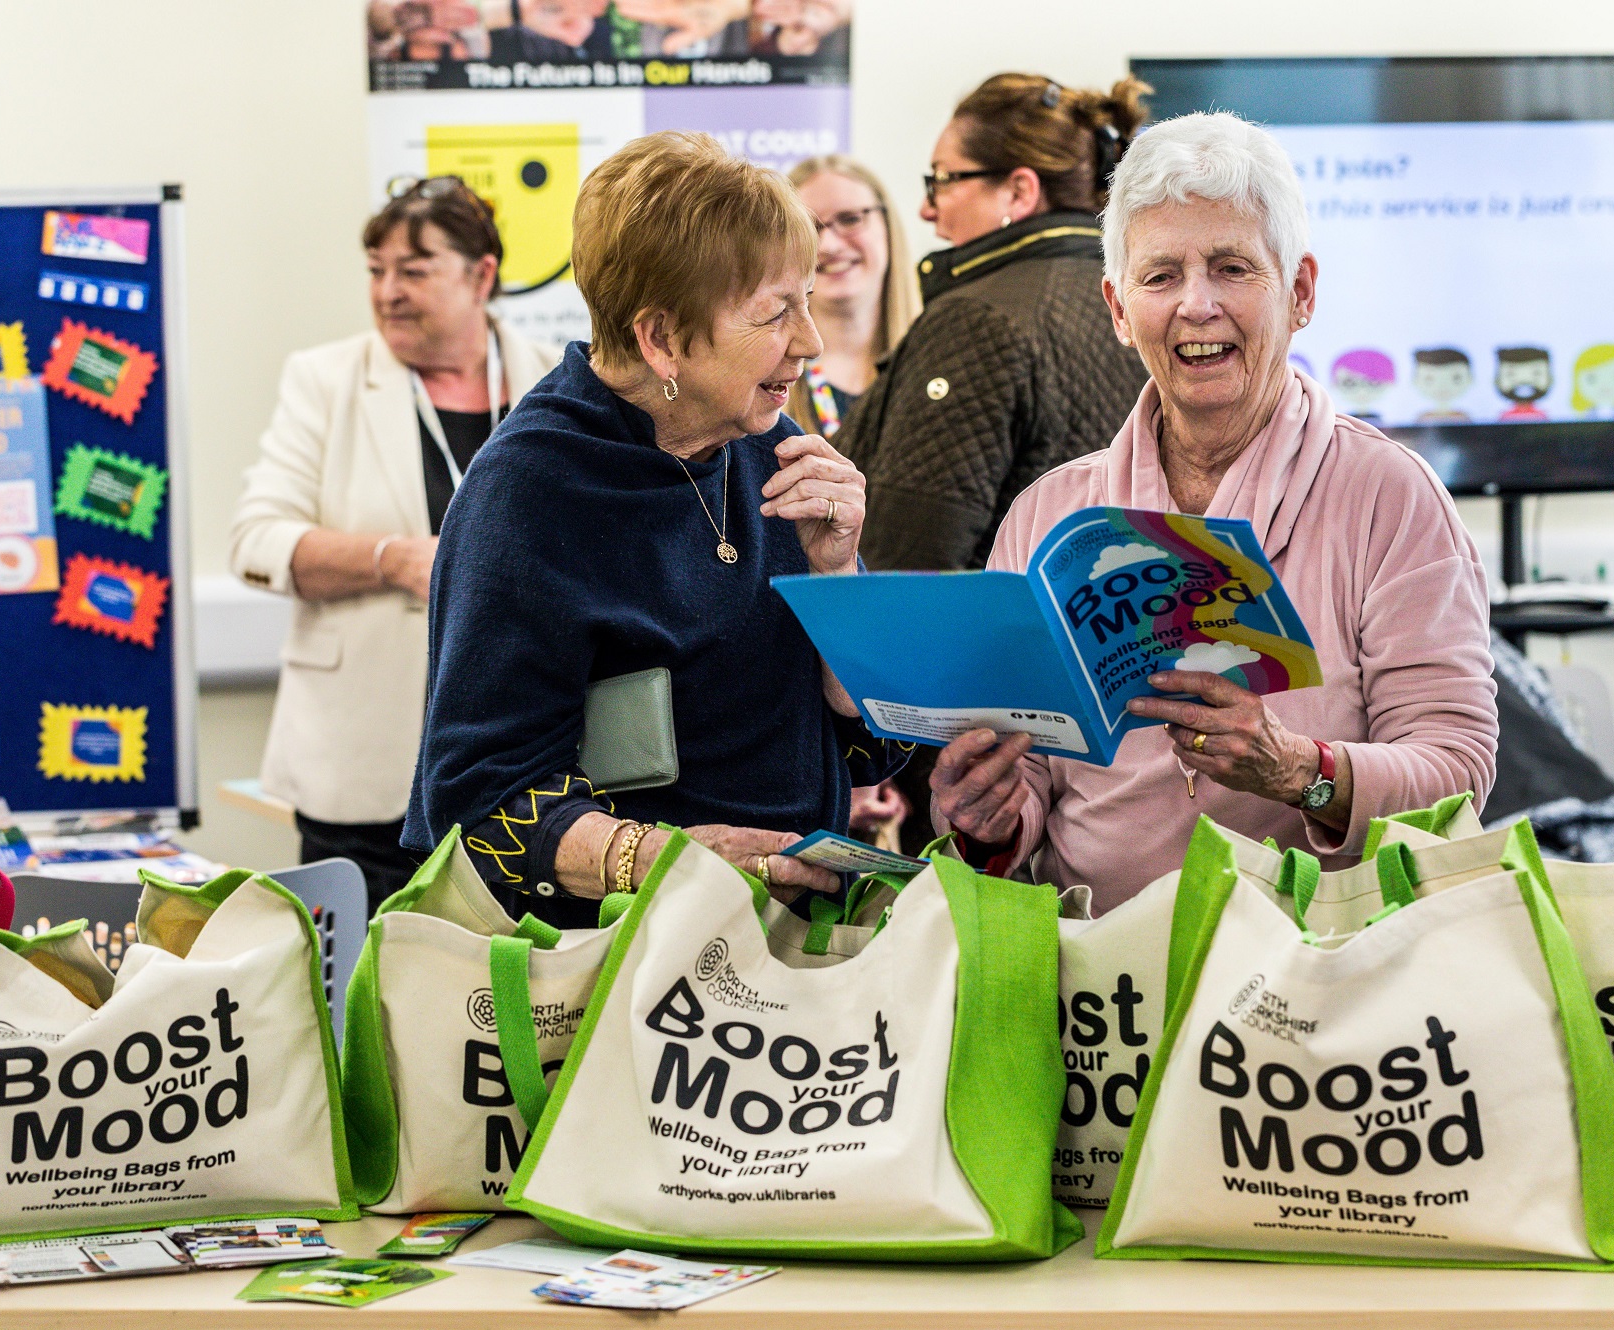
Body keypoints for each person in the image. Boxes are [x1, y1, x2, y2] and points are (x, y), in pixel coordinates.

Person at [930, 111, 1498, 913]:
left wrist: (1299, 768)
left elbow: (1458, 772)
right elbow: (1022, 779)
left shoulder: (1390, 497)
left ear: (1300, 291)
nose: (1196, 306)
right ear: (1120, 310)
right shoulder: (1046, 514)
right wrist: (987, 815)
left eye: (1232, 268)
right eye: (1160, 277)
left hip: (1317, 976)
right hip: (1096, 988)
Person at [403, 131, 910, 927]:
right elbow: (476, 802)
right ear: (662, 338)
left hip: (795, 945)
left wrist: (838, 578)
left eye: (806, 302)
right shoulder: (528, 490)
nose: (809, 343)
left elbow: (875, 741)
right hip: (622, 967)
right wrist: (665, 863)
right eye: (777, 313)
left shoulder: (772, 447)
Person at [230, 178, 556, 916]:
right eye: (376, 270)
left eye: (413, 269)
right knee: (360, 994)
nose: (388, 291)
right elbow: (256, 538)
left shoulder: (553, 379)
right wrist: (393, 559)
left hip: (527, 752)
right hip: (363, 764)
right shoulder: (325, 380)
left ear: (482, 274)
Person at [836, 72, 1151, 574]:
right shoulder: (1137, 302)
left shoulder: (976, 321)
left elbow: (902, 566)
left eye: (942, 179)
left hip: (980, 649)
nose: (925, 208)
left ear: (1018, 192)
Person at [785, 155, 919, 440]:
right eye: (810, 227)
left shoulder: (938, 358)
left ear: (887, 225)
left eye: (850, 219)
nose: (829, 244)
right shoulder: (764, 382)